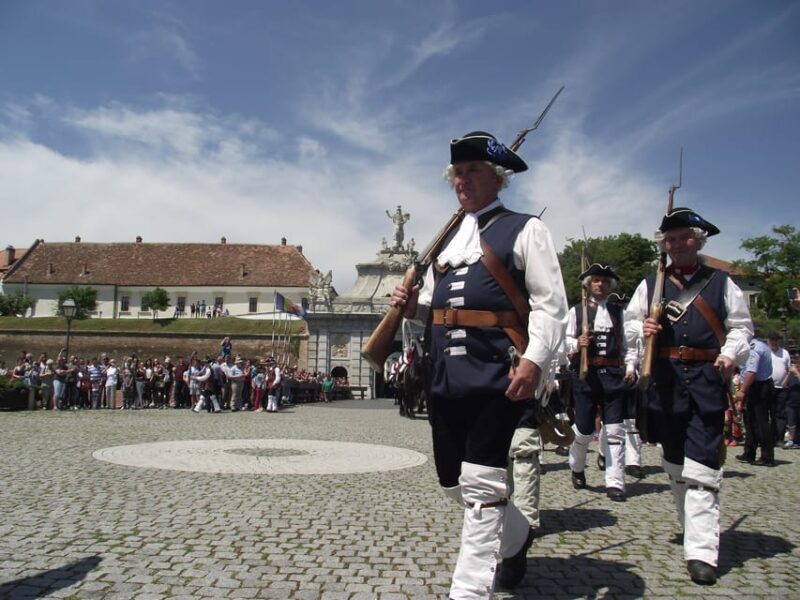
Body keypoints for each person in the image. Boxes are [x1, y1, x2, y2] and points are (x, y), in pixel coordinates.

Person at [391, 131, 568, 597]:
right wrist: (410, 307)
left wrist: (534, 359)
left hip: (499, 371)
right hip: (446, 376)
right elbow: (432, 310)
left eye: (472, 171)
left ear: (498, 178)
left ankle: (469, 590)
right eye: (457, 173)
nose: (462, 180)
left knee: (484, 481)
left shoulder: (526, 229)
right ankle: (517, 537)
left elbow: (551, 307)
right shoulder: (446, 242)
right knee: (453, 481)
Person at [624, 207, 752, 585]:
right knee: (674, 461)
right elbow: (629, 325)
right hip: (664, 382)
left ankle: (701, 552)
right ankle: (689, 525)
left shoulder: (721, 282)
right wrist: (642, 327)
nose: (677, 245)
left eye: (684, 238)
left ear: (699, 241)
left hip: (705, 379)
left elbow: (741, 328)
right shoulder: (651, 283)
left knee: (703, 467)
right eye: (671, 239)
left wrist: (730, 354)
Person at [566, 264, 635, 501]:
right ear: (589, 284)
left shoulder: (619, 312)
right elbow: (562, 341)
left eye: (605, 281)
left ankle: (615, 482)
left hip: (613, 376)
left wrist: (631, 365)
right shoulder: (576, 311)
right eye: (596, 280)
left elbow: (628, 344)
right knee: (584, 429)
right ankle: (576, 467)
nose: (600, 284)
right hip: (586, 375)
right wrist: (577, 343)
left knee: (615, 430)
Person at [734, 332, 774, 465]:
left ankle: (767, 456)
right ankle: (749, 452)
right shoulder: (761, 345)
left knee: (760, 422)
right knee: (750, 420)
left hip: (758, 387)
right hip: (757, 385)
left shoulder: (754, 348)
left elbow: (751, 372)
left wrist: (742, 390)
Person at [767, 331, 791, 446]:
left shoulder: (785, 353)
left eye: (776, 340)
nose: (774, 342)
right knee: (770, 412)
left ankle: (780, 438)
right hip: (769, 386)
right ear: (768, 341)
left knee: (780, 413)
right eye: (772, 340)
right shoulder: (766, 352)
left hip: (782, 387)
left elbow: (789, 369)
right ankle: (770, 437)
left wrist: (786, 381)